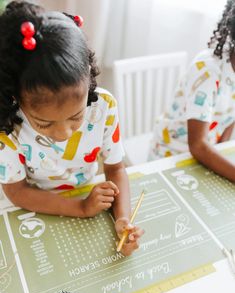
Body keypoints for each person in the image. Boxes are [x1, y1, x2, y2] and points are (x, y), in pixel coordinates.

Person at [0, 1, 144, 256]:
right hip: (32, 208)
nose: (63, 133)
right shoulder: (8, 126)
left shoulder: (103, 106)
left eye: (76, 117)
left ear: (88, 77)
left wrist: (122, 218)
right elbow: (17, 192)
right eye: (44, 123)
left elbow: (115, 167)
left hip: (84, 193)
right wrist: (80, 208)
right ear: (16, 97)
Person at [149, 0, 235, 182]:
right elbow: (197, 145)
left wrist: (221, 150)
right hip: (171, 155)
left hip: (206, 156)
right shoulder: (208, 70)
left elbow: (229, 120)